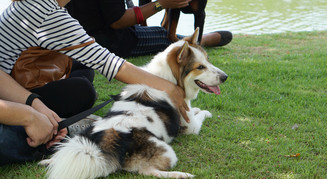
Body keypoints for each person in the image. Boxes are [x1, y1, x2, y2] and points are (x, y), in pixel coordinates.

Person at [0, 0, 190, 165]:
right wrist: (167, 87)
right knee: (83, 91)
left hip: (12, 85)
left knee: (83, 71)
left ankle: (50, 122)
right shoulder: (46, 12)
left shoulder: (44, 6)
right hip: (12, 91)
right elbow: (109, 63)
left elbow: (96, 56)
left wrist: (35, 105)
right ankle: (51, 133)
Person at [65, 0, 233, 58]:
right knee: (165, 36)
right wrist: (162, 4)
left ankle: (192, 39)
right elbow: (117, 21)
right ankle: (200, 40)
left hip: (74, 32)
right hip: (109, 39)